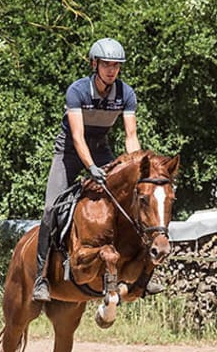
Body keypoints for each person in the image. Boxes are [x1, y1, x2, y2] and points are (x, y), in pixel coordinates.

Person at [32, 37, 142, 302]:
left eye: (116, 66)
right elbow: (78, 137)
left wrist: (136, 167)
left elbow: (130, 137)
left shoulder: (126, 94)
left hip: (102, 151)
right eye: (106, 64)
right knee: (50, 209)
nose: (112, 70)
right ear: (95, 64)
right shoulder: (78, 91)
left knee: (134, 202)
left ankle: (144, 273)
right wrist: (90, 166)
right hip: (69, 154)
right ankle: (41, 276)